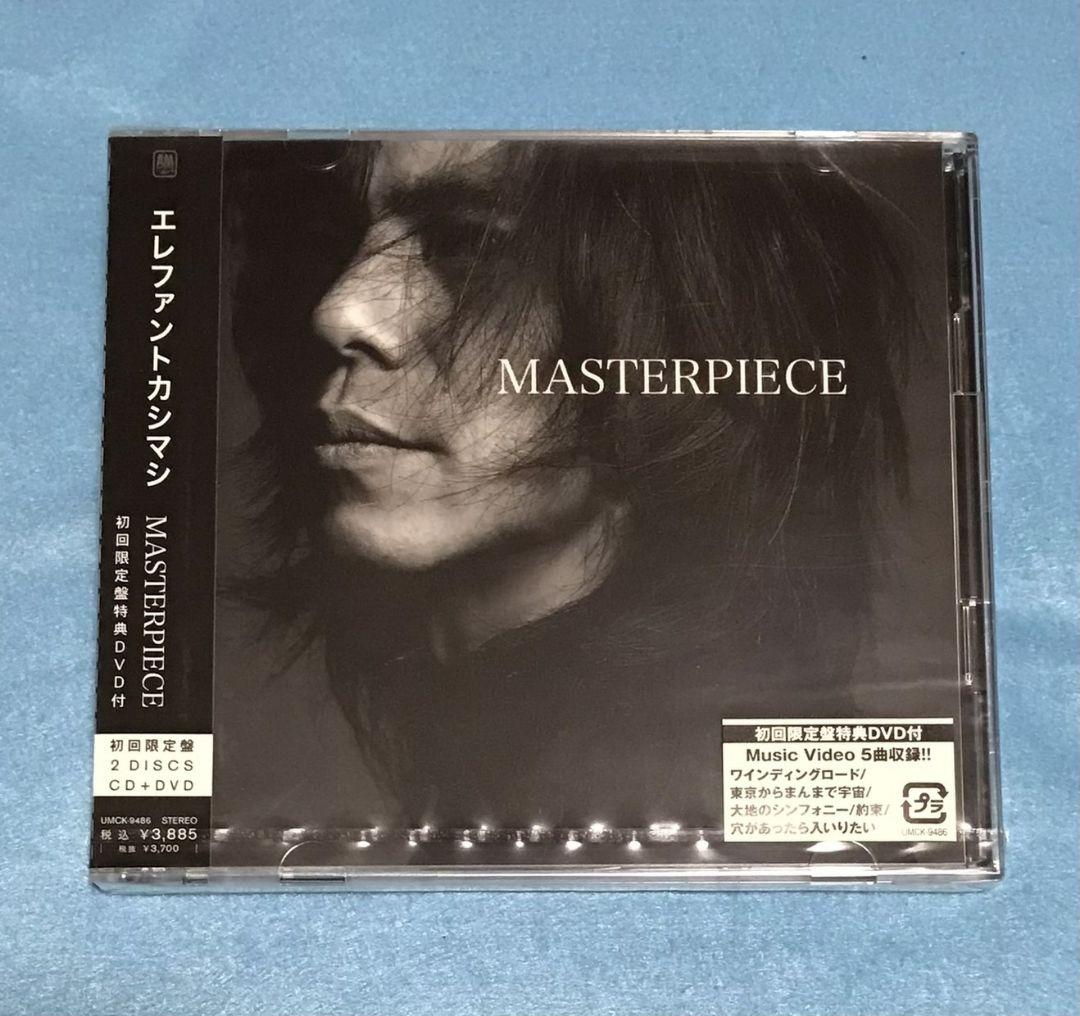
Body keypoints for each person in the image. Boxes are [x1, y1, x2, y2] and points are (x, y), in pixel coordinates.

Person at [222, 137, 911, 831]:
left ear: (694, 321)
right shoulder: (490, 775)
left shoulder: (767, 813)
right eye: (330, 243)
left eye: (465, 244)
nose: (339, 310)